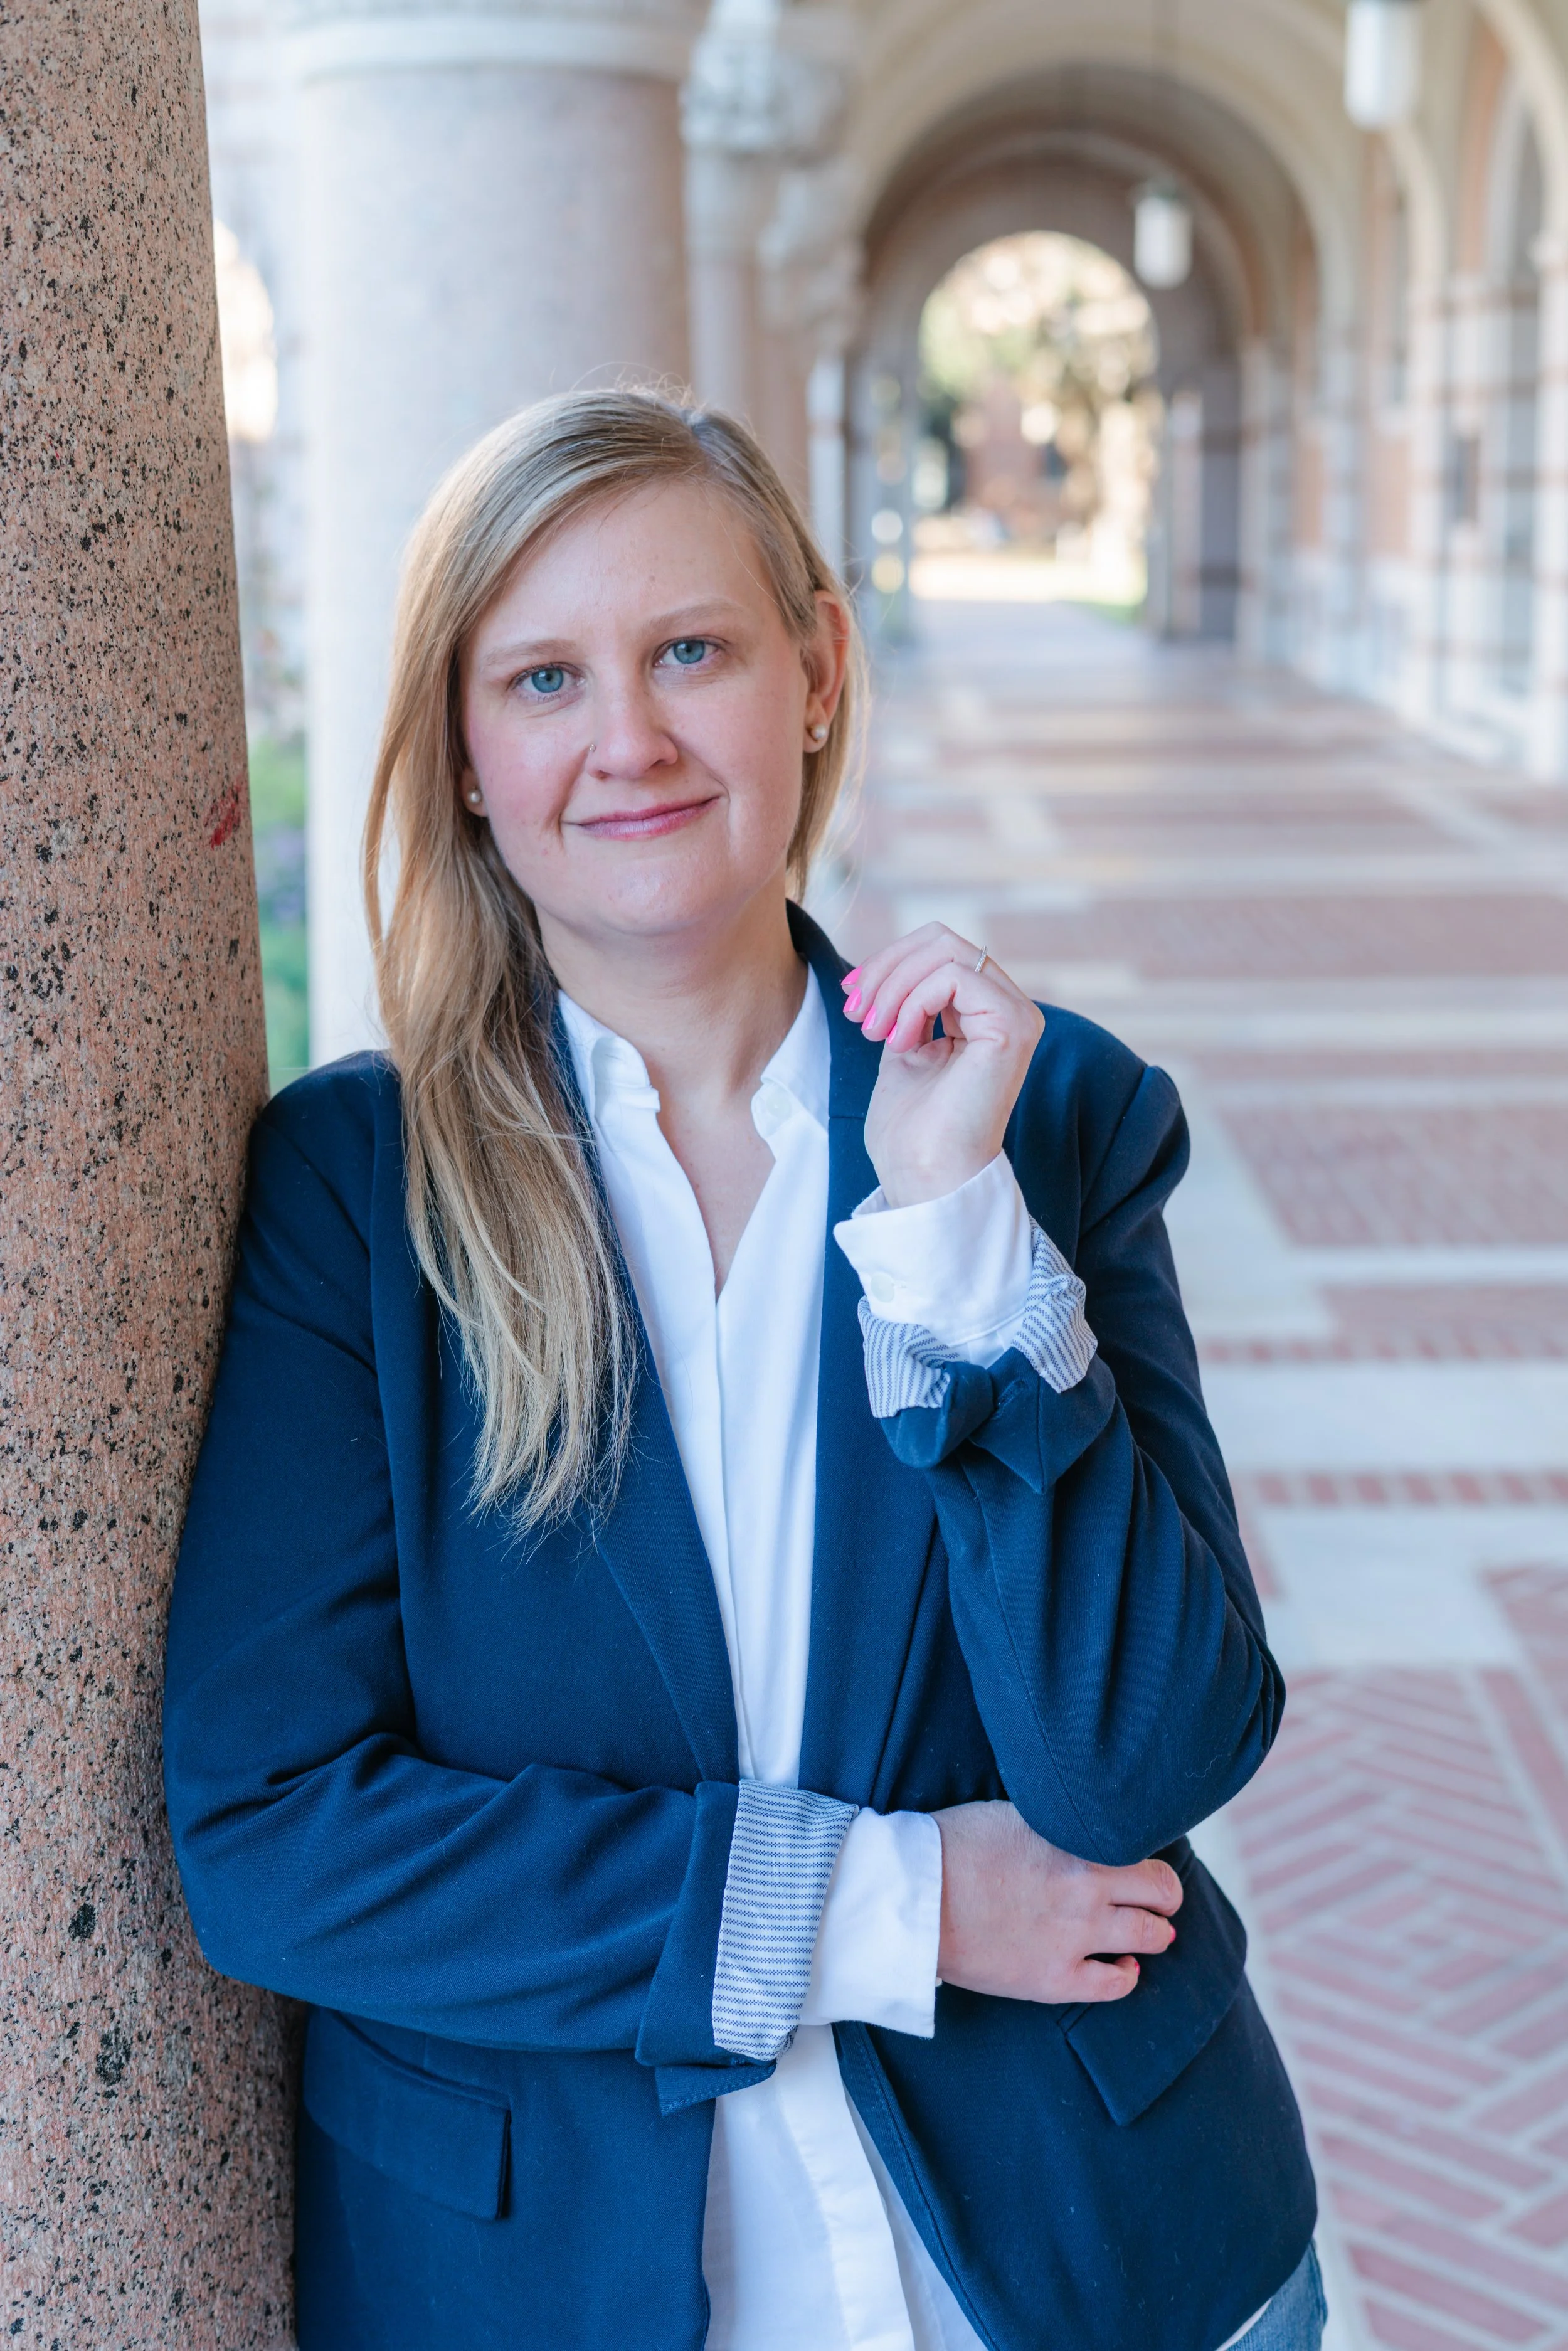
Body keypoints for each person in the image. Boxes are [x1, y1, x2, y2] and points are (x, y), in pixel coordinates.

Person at [163, 389, 1322, 2351]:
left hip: (1094, 2248)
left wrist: (955, 1236)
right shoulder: (354, 1196)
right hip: (554, 2275)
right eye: (543, 675)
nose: (626, 736)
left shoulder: (1051, 1115)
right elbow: (273, 1837)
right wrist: (882, 1905)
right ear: (462, 751)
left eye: (688, 648)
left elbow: (1144, 1757)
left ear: (814, 668)